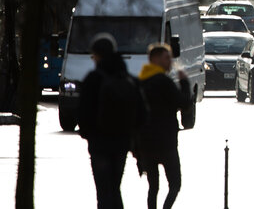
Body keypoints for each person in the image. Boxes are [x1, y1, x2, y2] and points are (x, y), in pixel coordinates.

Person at [78, 33, 146, 209]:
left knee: (103, 190)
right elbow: (142, 113)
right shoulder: (129, 79)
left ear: (97, 55)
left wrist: (88, 134)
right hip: (122, 142)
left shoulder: (93, 79)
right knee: (115, 187)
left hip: (99, 143)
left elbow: (83, 112)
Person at [136, 43, 192, 209]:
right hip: (166, 142)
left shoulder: (141, 81)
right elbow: (184, 103)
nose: (170, 62)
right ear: (155, 59)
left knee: (153, 187)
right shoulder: (164, 81)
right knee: (175, 184)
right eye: (166, 58)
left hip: (145, 144)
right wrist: (184, 83)